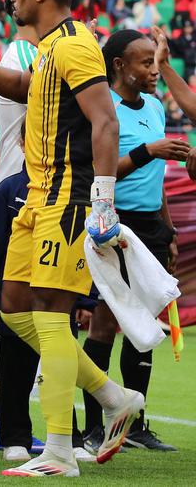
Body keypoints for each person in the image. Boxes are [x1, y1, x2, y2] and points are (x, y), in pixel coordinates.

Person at [0, 0, 145, 476]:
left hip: (68, 203)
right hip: (36, 197)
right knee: (11, 308)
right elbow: (26, 90)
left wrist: (101, 201)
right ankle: (111, 394)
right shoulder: (48, 49)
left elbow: (105, 123)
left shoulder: (74, 46)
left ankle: (56, 450)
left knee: (50, 315)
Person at [79, 31, 188, 453]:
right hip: (114, 225)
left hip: (151, 227)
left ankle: (136, 426)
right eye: (145, 63)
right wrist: (148, 150)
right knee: (106, 321)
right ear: (119, 65)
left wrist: (170, 228)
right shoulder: (105, 108)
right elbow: (99, 173)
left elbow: (156, 180)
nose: (154, 70)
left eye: (154, 62)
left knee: (146, 324)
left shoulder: (157, 107)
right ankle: (94, 427)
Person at [0, 0, 38, 446]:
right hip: (19, 183)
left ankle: (3, 420)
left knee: (29, 312)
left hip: (25, 182)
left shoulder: (31, 50)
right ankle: (4, 419)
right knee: (19, 310)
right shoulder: (22, 52)